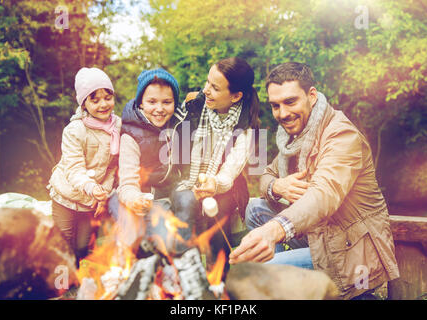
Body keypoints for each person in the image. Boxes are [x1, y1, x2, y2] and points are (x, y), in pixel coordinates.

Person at [229, 62, 400, 299]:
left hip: (349, 249)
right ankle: (293, 287)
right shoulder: (296, 135)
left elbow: (323, 196)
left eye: (290, 102)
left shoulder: (341, 135)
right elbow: (266, 175)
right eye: (275, 106)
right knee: (254, 209)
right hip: (319, 235)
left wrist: (274, 231)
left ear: (311, 96)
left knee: (258, 273)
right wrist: (277, 185)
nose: (283, 113)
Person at [170, 57, 260, 267]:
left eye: (215, 87)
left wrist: (215, 184)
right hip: (186, 180)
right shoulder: (195, 103)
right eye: (207, 82)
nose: (206, 90)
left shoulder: (247, 128)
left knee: (219, 210)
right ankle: (185, 267)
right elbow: (170, 130)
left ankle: (219, 273)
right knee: (186, 201)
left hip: (224, 188)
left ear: (236, 96)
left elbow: (229, 172)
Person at [48, 67, 121, 264]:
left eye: (107, 97)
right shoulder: (75, 130)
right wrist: (91, 187)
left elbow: (112, 168)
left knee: (82, 246)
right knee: (63, 243)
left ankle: (79, 283)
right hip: (66, 195)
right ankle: (60, 286)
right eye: (94, 100)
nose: (103, 104)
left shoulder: (117, 127)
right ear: (84, 104)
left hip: (90, 201)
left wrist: (102, 195)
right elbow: (74, 168)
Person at [108, 68, 185, 255]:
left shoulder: (179, 127)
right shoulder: (130, 135)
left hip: (160, 200)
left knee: (166, 244)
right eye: (152, 102)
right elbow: (126, 184)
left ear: (174, 103)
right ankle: (126, 275)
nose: (159, 109)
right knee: (134, 238)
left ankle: (161, 276)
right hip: (128, 197)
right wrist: (136, 200)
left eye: (167, 102)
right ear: (140, 103)